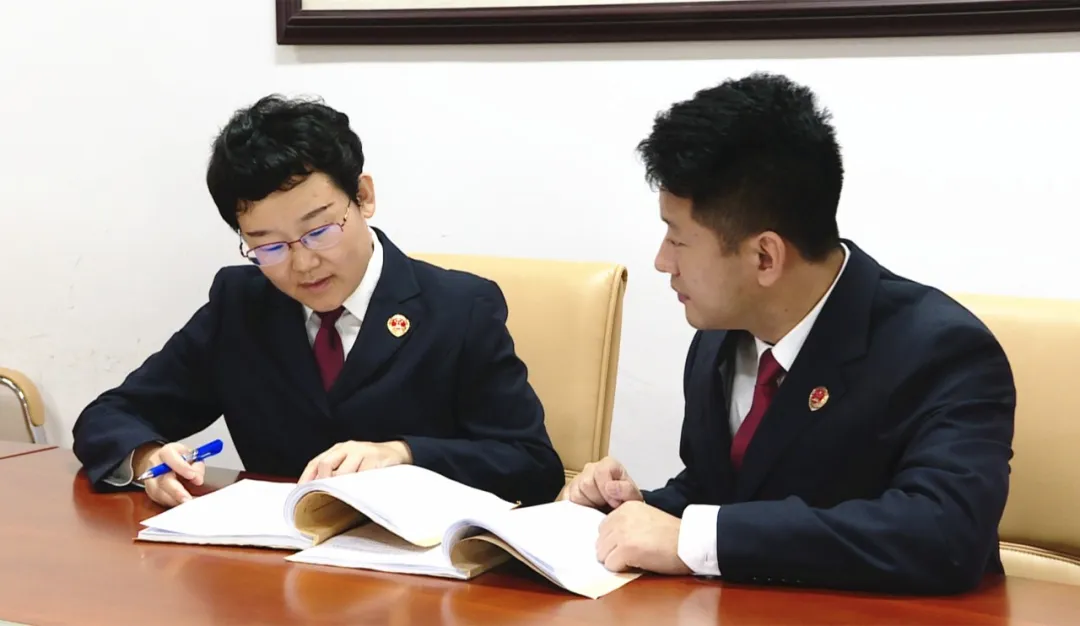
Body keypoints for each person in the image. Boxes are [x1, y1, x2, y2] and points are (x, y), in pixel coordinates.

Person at [561, 72, 1015, 595]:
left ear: (765, 256)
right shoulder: (720, 339)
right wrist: (631, 510)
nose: (663, 262)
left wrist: (696, 537)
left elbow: (943, 535)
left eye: (678, 240)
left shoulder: (942, 351)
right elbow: (725, 490)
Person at [72, 95, 564, 509]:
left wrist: (405, 454)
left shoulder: (460, 308)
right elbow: (110, 415)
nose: (303, 263)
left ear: (363, 197)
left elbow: (532, 466)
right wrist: (146, 457)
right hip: (271, 567)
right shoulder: (240, 306)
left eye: (319, 230)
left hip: (418, 575)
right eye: (269, 246)